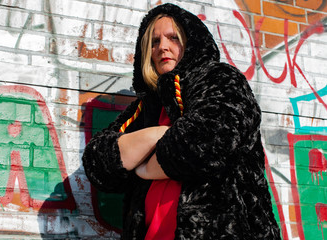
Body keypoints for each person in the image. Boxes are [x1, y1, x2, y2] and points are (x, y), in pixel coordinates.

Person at [83, 3, 281, 239]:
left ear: (190, 42)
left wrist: (143, 167)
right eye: (154, 42)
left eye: (172, 38)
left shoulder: (220, 79)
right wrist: (158, 134)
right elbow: (99, 162)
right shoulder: (145, 107)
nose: (162, 47)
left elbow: (204, 144)